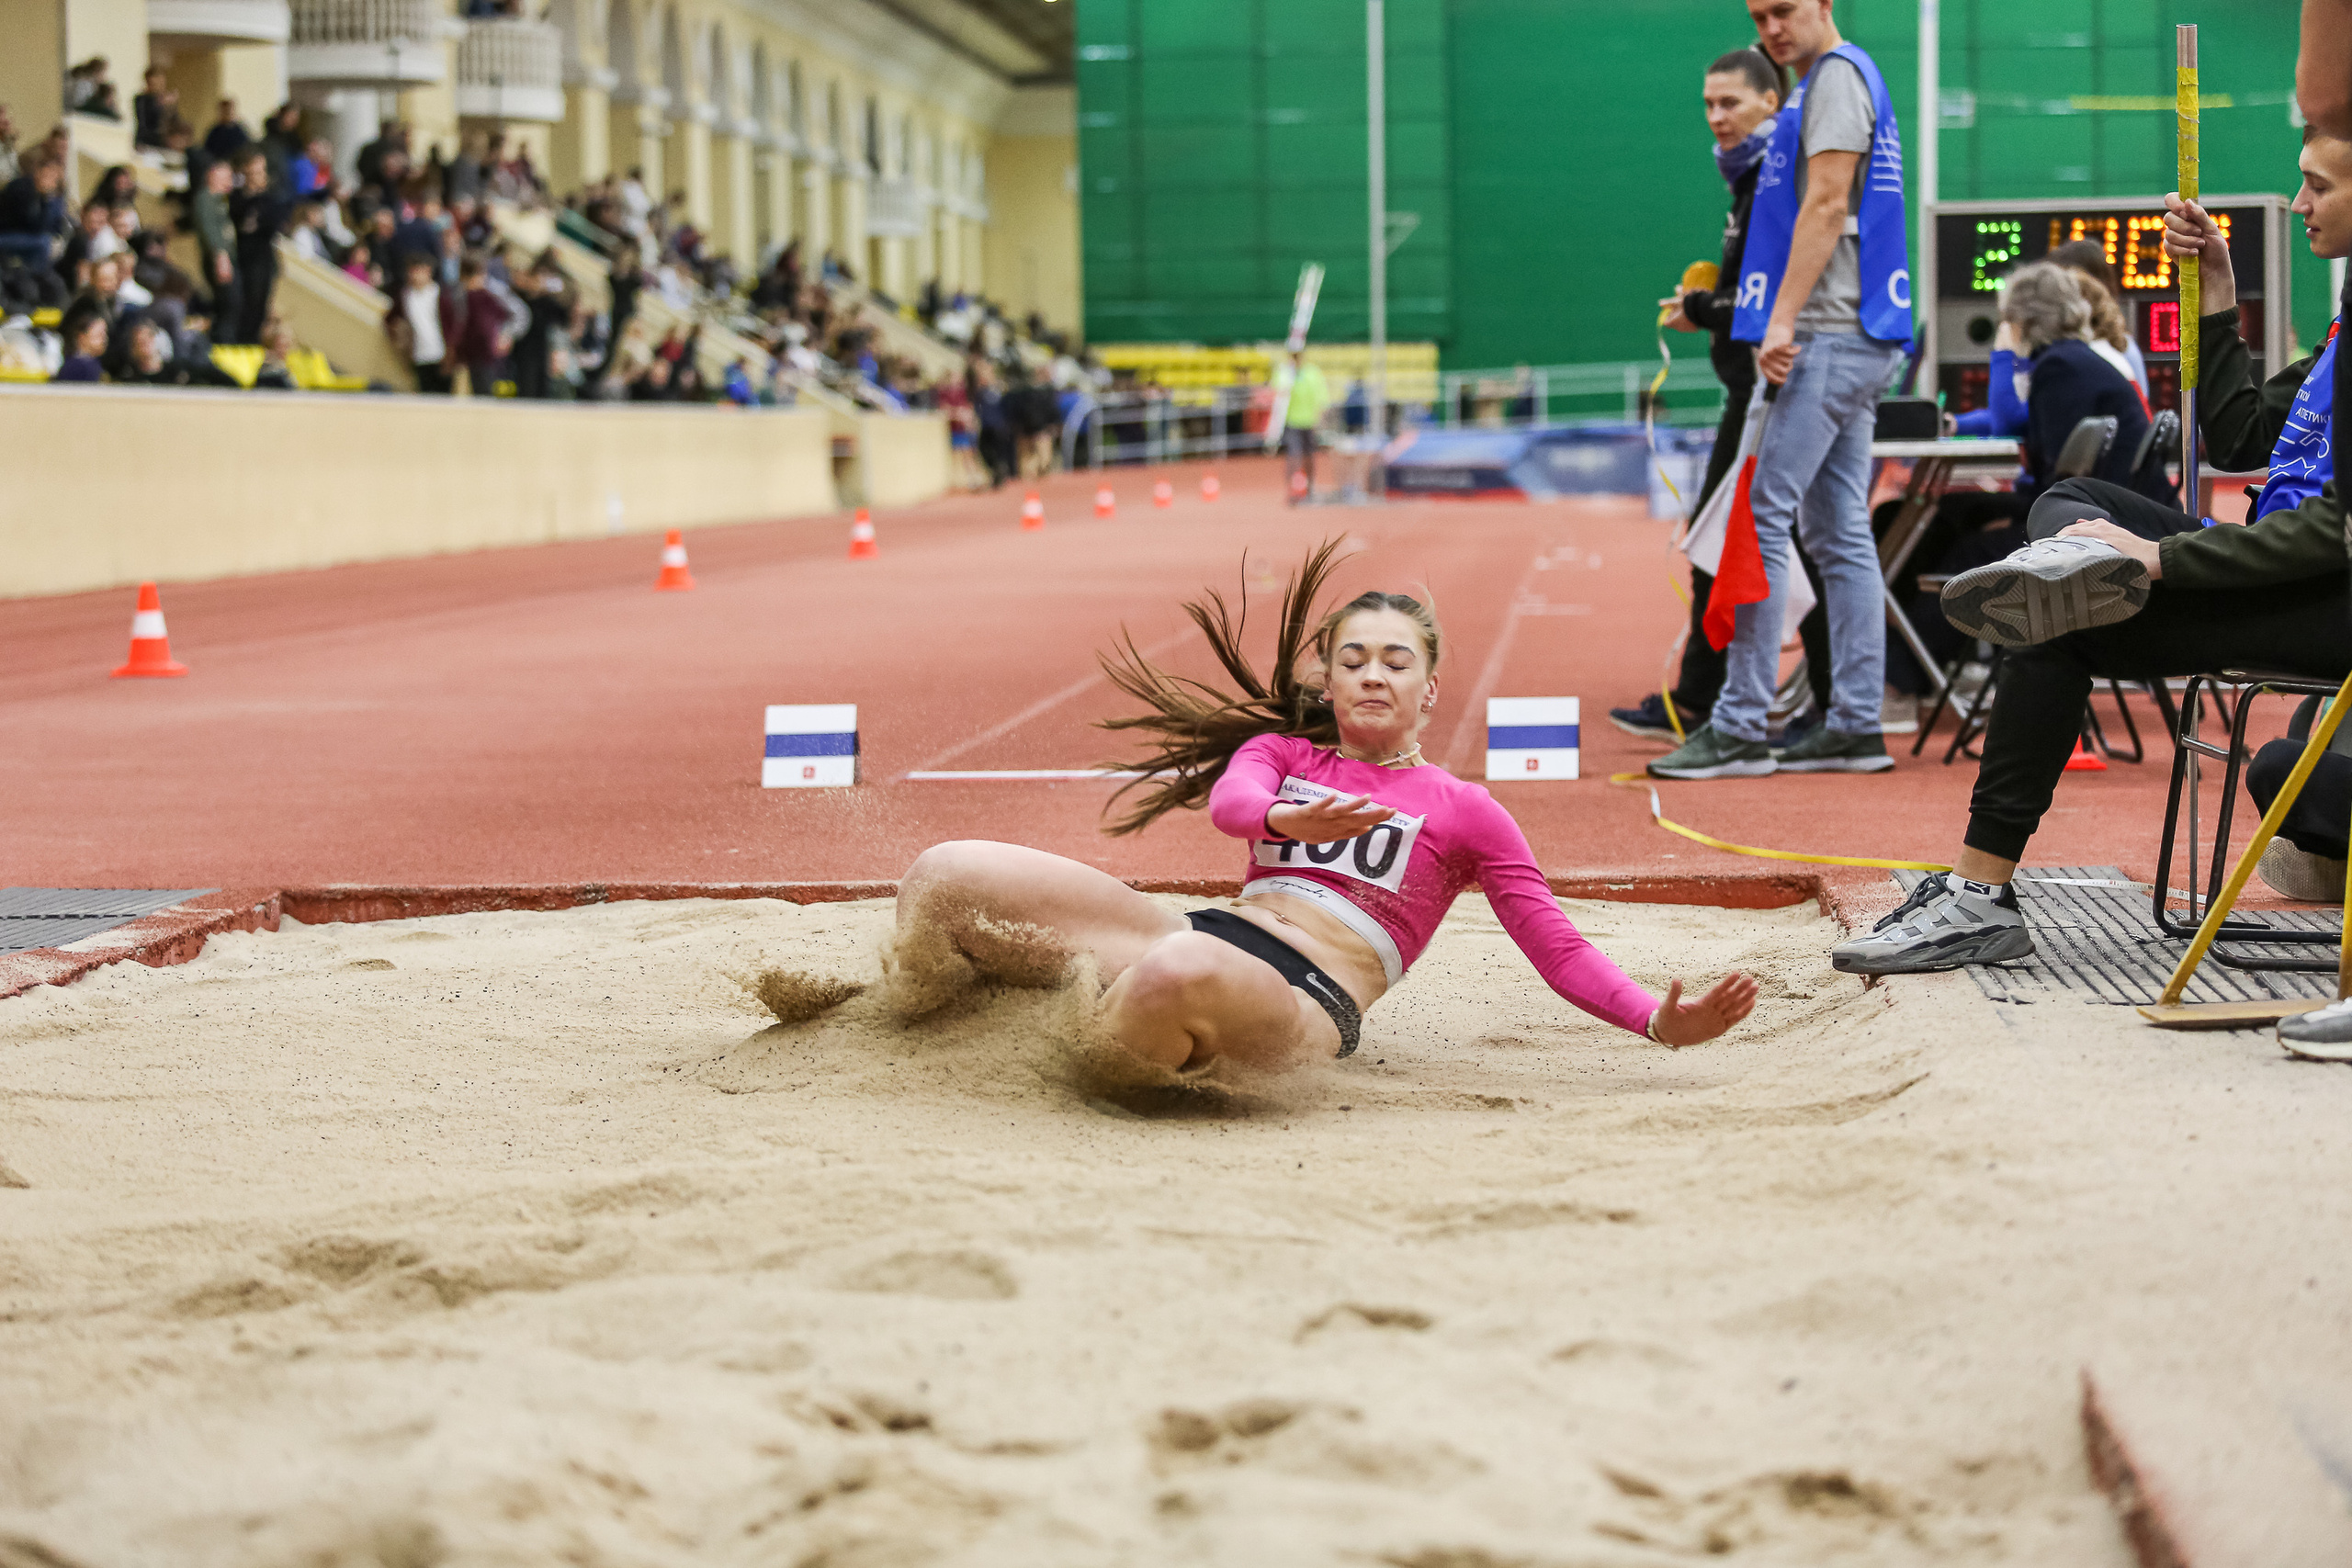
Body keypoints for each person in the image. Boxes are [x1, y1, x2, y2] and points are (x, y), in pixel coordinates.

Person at [881, 542, 1759, 1072]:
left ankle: (1086, 1055)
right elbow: (1234, 804)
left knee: (1169, 981)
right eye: (1354, 659)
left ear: (1429, 689)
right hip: (1192, 933)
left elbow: (1556, 946)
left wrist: (1655, 1017)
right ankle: (947, 1024)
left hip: (1302, 998)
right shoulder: (1283, 757)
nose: (1374, 673)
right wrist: (1284, 821)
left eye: (1395, 660)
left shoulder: (1465, 811)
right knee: (945, 873)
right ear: (1330, 679)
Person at [1831, 129, 2352, 985]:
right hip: (2273, 564)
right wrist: (2217, 291)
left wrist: (2159, 561)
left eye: (2315, 187)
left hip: (2326, 594)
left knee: (2061, 612)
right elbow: (2240, 435)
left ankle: (1979, 897)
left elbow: (2335, 533)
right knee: (2066, 516)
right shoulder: (2339, 335)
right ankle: (1979, 894)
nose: (2297, 204)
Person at [1649, 0, 1911, 781]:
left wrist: (1779, 321)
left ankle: (1738, 724)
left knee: (1762, 516)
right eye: (1759, 14)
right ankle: (1855, 722)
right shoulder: (1833, 80)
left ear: (1824, 6)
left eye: (1785, 10)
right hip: (1857, 333)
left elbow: (1827, 206)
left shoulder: (1833, 80)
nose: (1771, 28)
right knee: (1839, 535)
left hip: (1828, 334)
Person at [1611, 46, 1785, 742]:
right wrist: (1708, 307)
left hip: (1766, 391)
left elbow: (1763, 297)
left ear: (1769, 102)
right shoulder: (1749, 177)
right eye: (1709, 105)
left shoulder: (1774, 175)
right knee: (1761, 542)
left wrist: (1703, 306)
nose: (1716, 117)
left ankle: (1705, 701)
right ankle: (1718, 697)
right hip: (1750, 388)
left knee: (1725, 540)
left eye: (1731, 102)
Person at [230, 148, 286, 344]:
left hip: (261, 260)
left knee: (258, 307)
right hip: (243, 259)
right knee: (242, 306)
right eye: (253, 171)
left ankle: (248, 344)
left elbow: (270, 225)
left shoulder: (269, 200)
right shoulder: (236, 197)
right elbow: (242, 223)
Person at [385, 253, 457, 393]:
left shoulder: (440, 294)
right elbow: (389, 320)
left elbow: (453, 323)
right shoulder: (405, 295)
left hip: (441, 355)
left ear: (428, 271)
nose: (414, 275)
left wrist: (451, 352)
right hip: (419, 356)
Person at [1274, 348, 1331, 502]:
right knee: (1294, 455)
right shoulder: (1285, 373)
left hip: (1309, 421)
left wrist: (1319, 417)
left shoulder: (1313, 372)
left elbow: (1322, 396)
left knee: (1309, 456)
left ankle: (1310, 489)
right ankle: (1291, 490)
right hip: (1292, 421)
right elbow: (1279, 393)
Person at [52, 305, 107, 381]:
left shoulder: (93, 363)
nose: (104, 340)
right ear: (82, 337)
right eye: (99, 335)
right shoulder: (78, 367)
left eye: (105, 335)